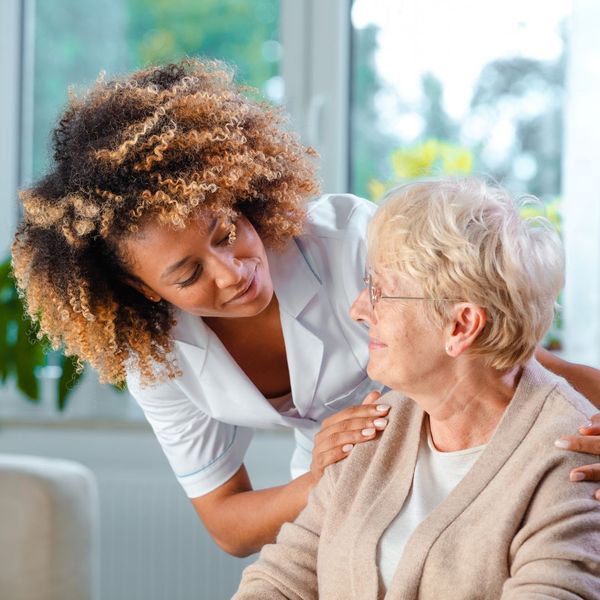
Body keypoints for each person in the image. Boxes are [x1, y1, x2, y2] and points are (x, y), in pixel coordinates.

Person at [11, 60, 600, 558]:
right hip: (343, 487)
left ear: (239, 193)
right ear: (144, 291)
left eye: (226, 231)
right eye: (188, 274)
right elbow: (229, 524)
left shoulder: (351, 243)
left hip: (471, 453)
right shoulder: (157, 356)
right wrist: (322, 478)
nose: (233, 272)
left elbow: (507, 354)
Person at [234, 178, 600, 599]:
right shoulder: (373, 429)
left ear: (461, 326)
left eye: (379, 291)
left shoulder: (573, 460)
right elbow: (282, 578)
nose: (357, 309)